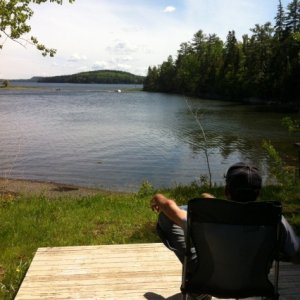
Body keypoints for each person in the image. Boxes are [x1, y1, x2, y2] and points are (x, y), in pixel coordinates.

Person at [150, 162, 300, 266]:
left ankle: (194, 277)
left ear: (226, 191)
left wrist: (158, 198)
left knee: (166, 217)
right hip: (255, 282)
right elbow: (295, 255)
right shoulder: (273, 217)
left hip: (208, 278)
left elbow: (170, 208)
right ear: (259, 193)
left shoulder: (206, 217)